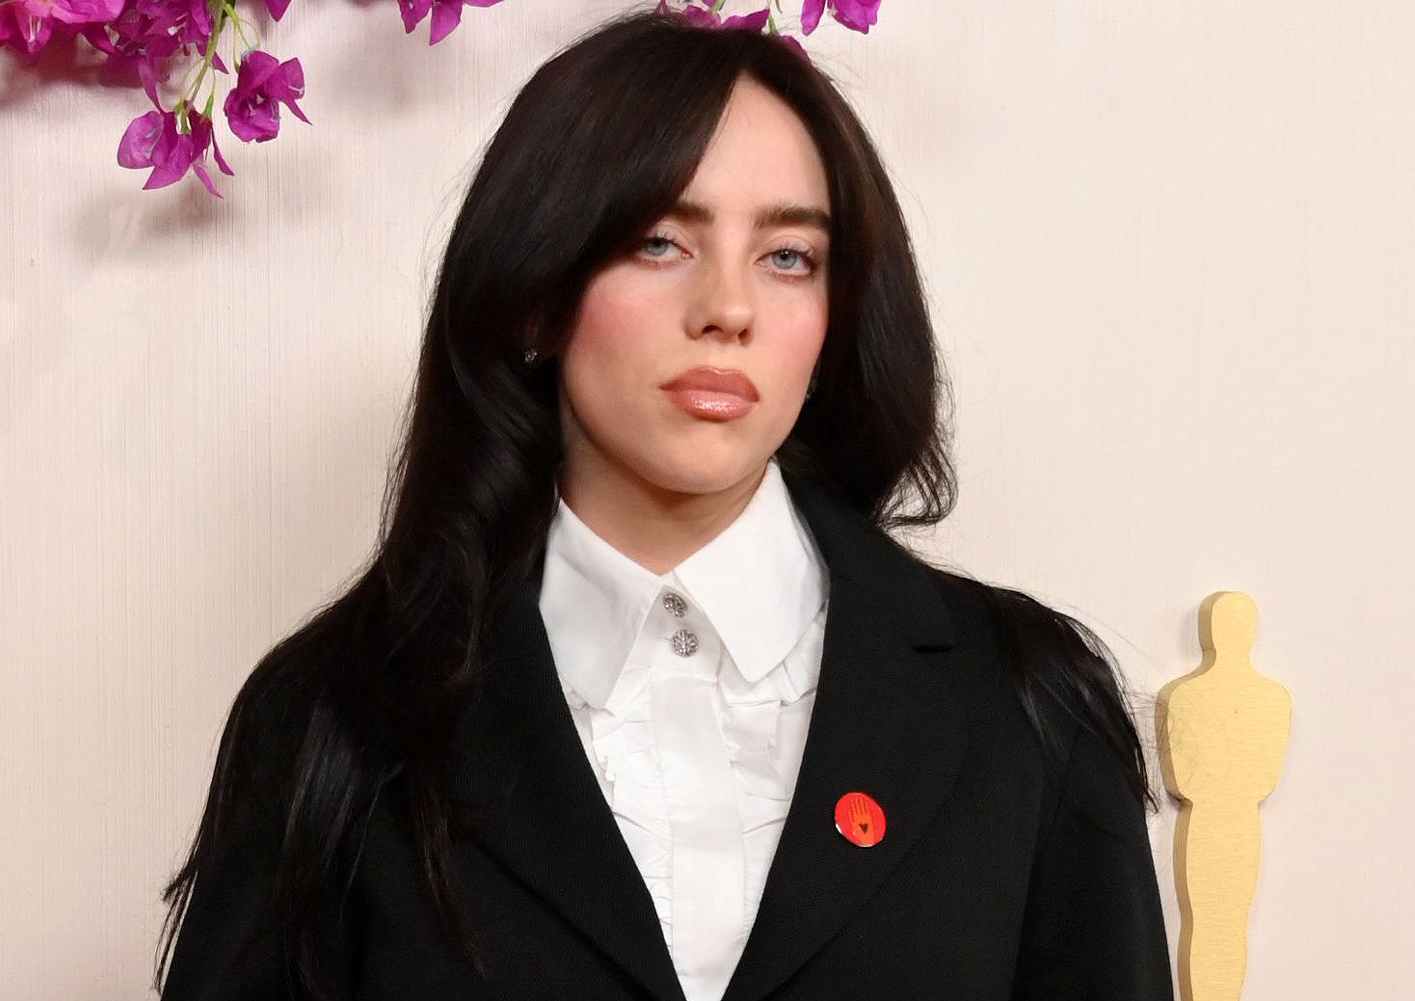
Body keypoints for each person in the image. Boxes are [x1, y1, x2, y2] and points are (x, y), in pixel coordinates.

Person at [153, 9, 1175, 1001]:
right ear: (538, 292)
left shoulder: (1030, 707)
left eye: (788, 257)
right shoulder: (334, 716)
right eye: (658, 242)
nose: (728, 308)